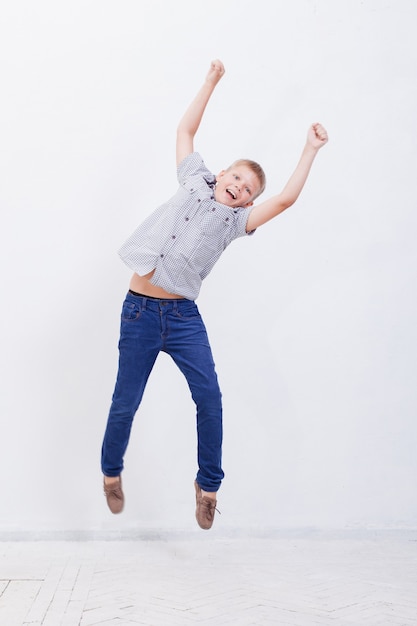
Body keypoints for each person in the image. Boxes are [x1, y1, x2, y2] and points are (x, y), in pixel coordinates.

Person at [101, 59, 328, 530]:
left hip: (183, 318)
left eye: (248, 190)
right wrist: (210, 82)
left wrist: (309, 150)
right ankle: (110, 473)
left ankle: (208, 488)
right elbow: (185, 129)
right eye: (238, 178)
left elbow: (285, 199)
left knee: (210, 397)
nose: (241, 188)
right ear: (221, 173)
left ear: (246, 203)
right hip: (139, 312)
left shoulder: (235, 224)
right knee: (126, 400)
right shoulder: (191, 178)